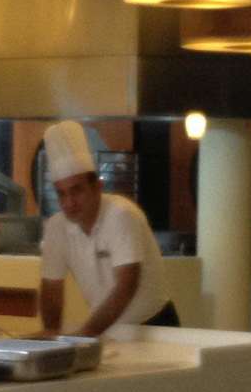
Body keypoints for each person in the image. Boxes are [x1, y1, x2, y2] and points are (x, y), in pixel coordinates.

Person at [36, 119, 178, 335]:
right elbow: (51, 288)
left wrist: (85, 336)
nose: (69, 203)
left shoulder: (121, 214)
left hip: (155, 328)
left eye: (77, 190)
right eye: (61, 194)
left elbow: (126, 285)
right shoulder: (57, 227)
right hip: (109, 330)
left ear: (97, 187)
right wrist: (51, 335)